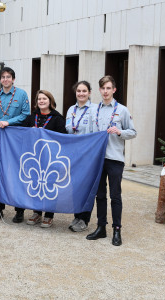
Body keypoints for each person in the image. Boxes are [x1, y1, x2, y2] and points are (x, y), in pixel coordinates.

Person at [86, 75, 137, 246]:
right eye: (103, 88)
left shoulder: (122, 110)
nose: (105, 91)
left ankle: (117, 230)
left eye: (108, 88)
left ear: (114, 90)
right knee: (100, 195)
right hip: (98, 159)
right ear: (99, 90)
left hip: (114, 158)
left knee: (115, 196)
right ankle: (101, 227)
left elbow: (133, 132)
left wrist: (120, 132)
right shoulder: (93, 109)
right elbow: (89, 134)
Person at [0, 66, 30, 221]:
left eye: (8, 77)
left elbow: (26, 114)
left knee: (18, 173)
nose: (6, 79)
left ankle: (20, 211)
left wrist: (8, 122)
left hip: (16, 140)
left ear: (13, 79)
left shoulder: (21, 94)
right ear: (0, 80)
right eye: (3, 77)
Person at [22, 90, 67, 228]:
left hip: (52, 158)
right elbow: (21, 131)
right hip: (35, 156)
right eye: (39, 99)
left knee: (49, 185)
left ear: (50, 101)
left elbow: (63, 137)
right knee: (36, 183)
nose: (41, 101)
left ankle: (49, 215)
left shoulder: (57, 118)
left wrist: (46, 133)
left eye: (44, 99)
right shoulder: (32, 117)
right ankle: (37, 212)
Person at [65, 80, 96, 232]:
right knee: (75, 186)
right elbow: (68, 129)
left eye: (84, 91)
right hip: (74, 153)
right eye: (79, 91)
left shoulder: (95, 109)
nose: (81, 94)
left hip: (89, 154)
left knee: (87, 186)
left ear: (89, 93)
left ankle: (84, 219)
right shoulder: (72, 109)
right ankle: (77, 215)